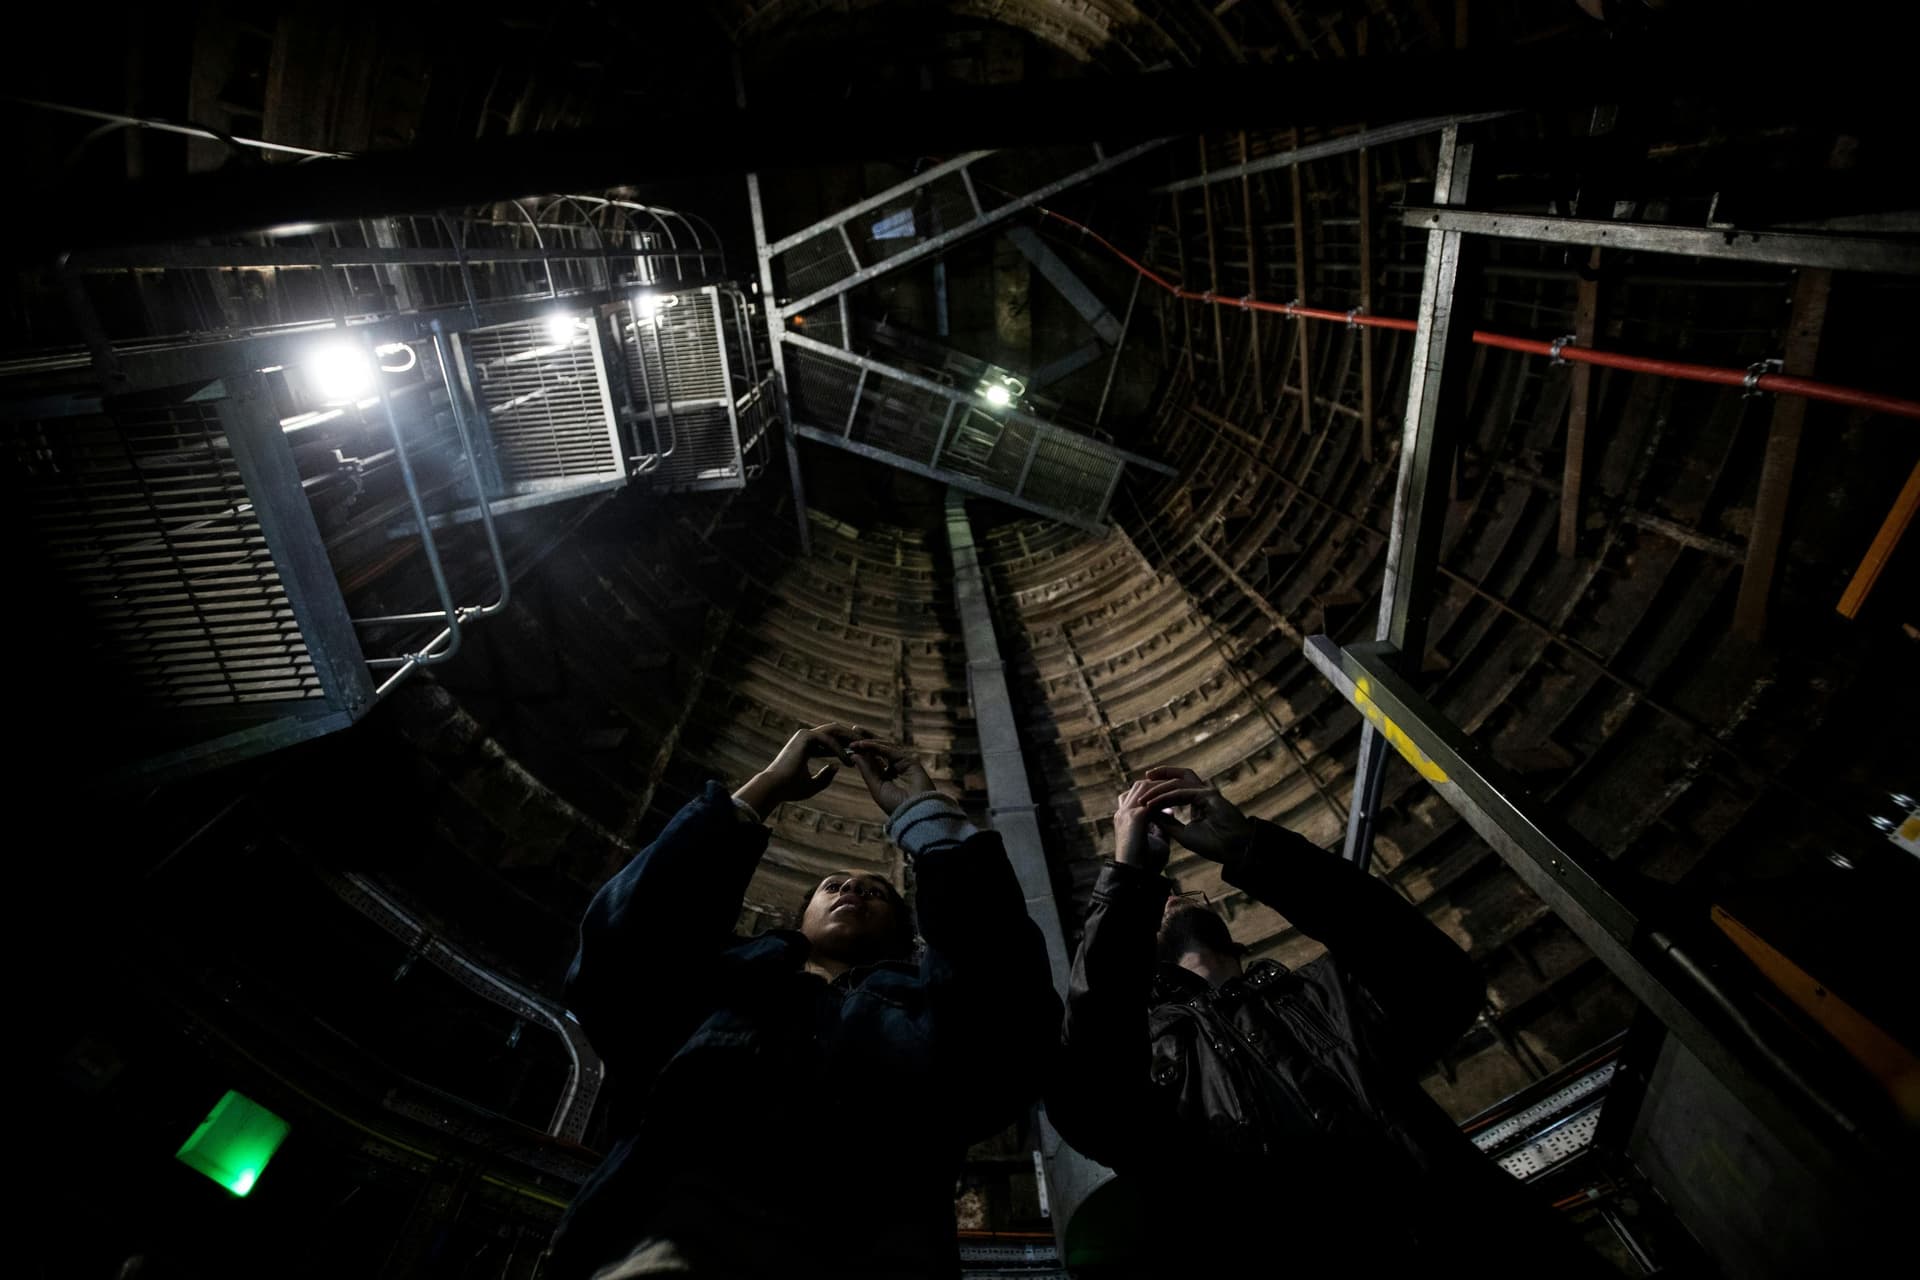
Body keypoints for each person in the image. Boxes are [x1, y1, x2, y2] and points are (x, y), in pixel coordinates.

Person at [544, 723, 1060, 1279]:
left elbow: (1007, 1010)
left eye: (875, 890)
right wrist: (765, 786)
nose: (852, 890)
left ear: (908, 937)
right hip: (669, 1245)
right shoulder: (721, 982)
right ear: (801, 917)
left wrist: (926, 814)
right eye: (832, 884)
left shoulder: (929, 1010)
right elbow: (623, 948)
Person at [1050, 766, 1596, 1272]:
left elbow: (1439, 981)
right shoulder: (1148, 1056)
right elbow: (1090, 1089)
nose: (1171, 899)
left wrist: (1251, 849)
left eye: (1177, 896)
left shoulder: (1326, 991)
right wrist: (1128, 881)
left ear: (1233, 933)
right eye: (1158, 906)